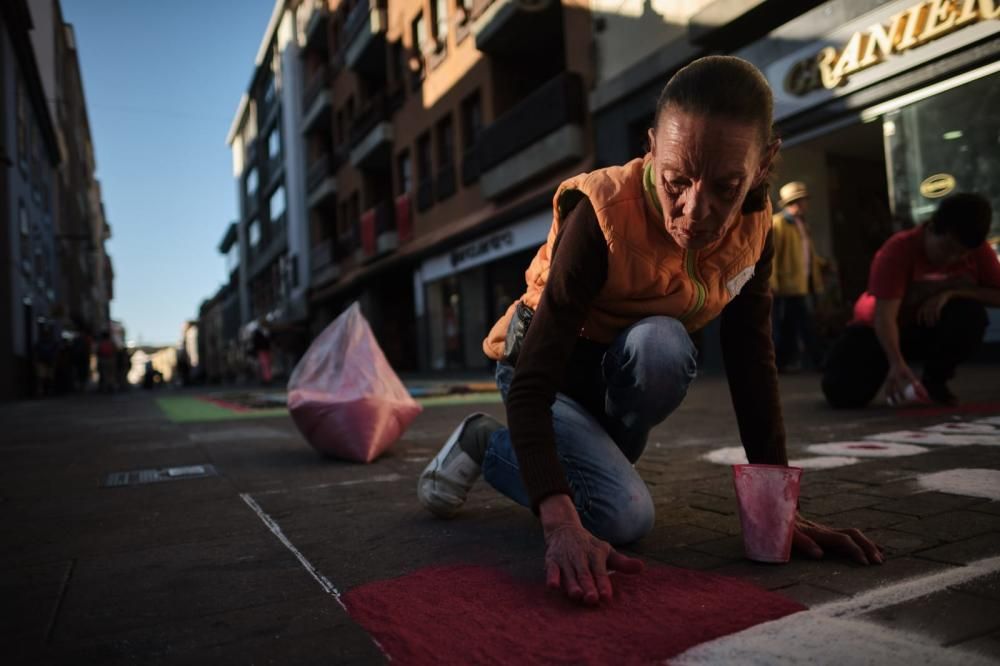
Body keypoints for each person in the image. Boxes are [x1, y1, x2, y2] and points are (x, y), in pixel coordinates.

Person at [417, 56, 882, 606]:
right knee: (623, 515)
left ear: (764, 166)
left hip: (619, 377)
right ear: (652, 146)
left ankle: (595, 456)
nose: (695, 210)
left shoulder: (758, 230)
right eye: (676, 180)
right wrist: (560, 522)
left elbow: (752, 363)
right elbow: (533, 379)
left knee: (662, 343)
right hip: (546, 377)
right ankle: (483, 439)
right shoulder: (602, 214)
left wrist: (779, 511)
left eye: (726, 186)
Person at [822, 193, 1000, 408]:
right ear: (931, 229)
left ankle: (935, 381)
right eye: (947, 249)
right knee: (842, 393)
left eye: (961, 254)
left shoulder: (977, 251)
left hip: (924, 329)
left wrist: (954, 293)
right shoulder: (898, 250)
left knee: (969, 315)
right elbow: (884, 317)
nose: (952, 258)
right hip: (877, 330)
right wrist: (896, 363)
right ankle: (877, 365)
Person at [770, 181, 827, 372]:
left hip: (801, 283)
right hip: (788, 285)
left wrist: (822, 265)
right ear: (795, 202)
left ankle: (782, 362)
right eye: (803, 200)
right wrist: (773, 282)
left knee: (790, 326)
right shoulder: (778, 223)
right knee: (803, 323)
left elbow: (806, 252)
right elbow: (773, 255)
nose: (806, 204)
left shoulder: (801, 224)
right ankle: (818, 360)